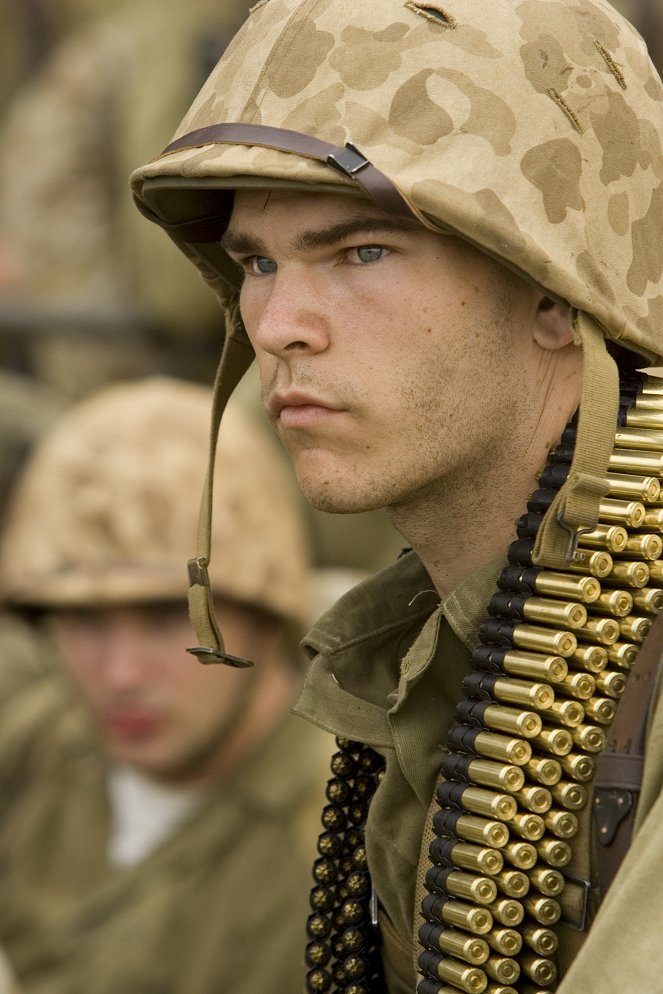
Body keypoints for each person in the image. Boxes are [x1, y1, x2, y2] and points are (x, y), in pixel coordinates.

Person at [130, 2, 663, 992]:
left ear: (555, 295)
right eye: (258, 263)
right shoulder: (431, 639)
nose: (280, 324)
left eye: (361, 252)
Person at [0, 376, 332, 994]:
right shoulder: (40, 742)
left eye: (166, 620)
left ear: (266, 617)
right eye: (84, 622)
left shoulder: (333, 846)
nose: (119, 675)